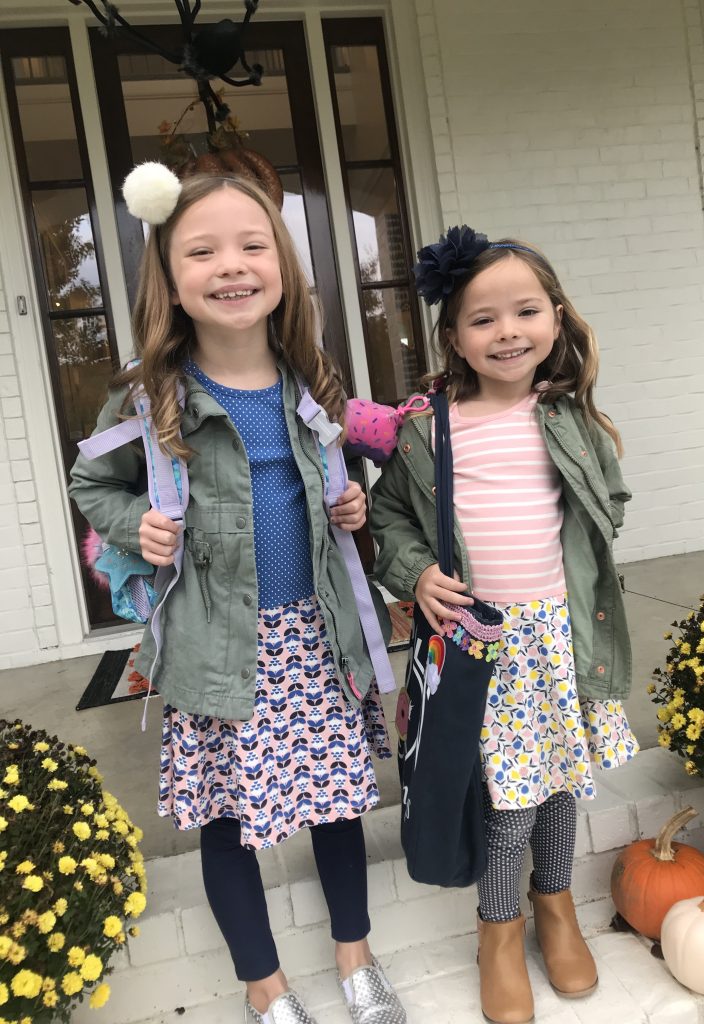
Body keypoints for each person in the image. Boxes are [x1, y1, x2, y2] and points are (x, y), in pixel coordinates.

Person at [69, 166, 407, 1024]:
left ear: (283, 266)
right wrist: (138, 522)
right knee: (227, 820)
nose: (231, 265)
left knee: (338, 805)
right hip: (218, 645)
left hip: (315, 635)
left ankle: (356, 957)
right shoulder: (152, 393)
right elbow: (91, 481)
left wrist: (350, 502)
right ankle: (265, 986)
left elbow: (333, 476)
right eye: (202, 251)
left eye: (253, 245)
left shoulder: (310, 377)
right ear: (169, 275)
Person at [369, 225, 637, 1024]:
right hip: (483, 645)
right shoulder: (429, 429)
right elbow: (388, 518)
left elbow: (611, 499)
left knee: (557, 787)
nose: (507, 332)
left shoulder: (568, 417)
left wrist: (591, 539)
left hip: (560, 636)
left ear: (555, 317)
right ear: (453, 337)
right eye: (483, 319)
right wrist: (416, 574)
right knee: (509, 802)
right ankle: (498, 929)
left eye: (525, 311)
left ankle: (556, 905)